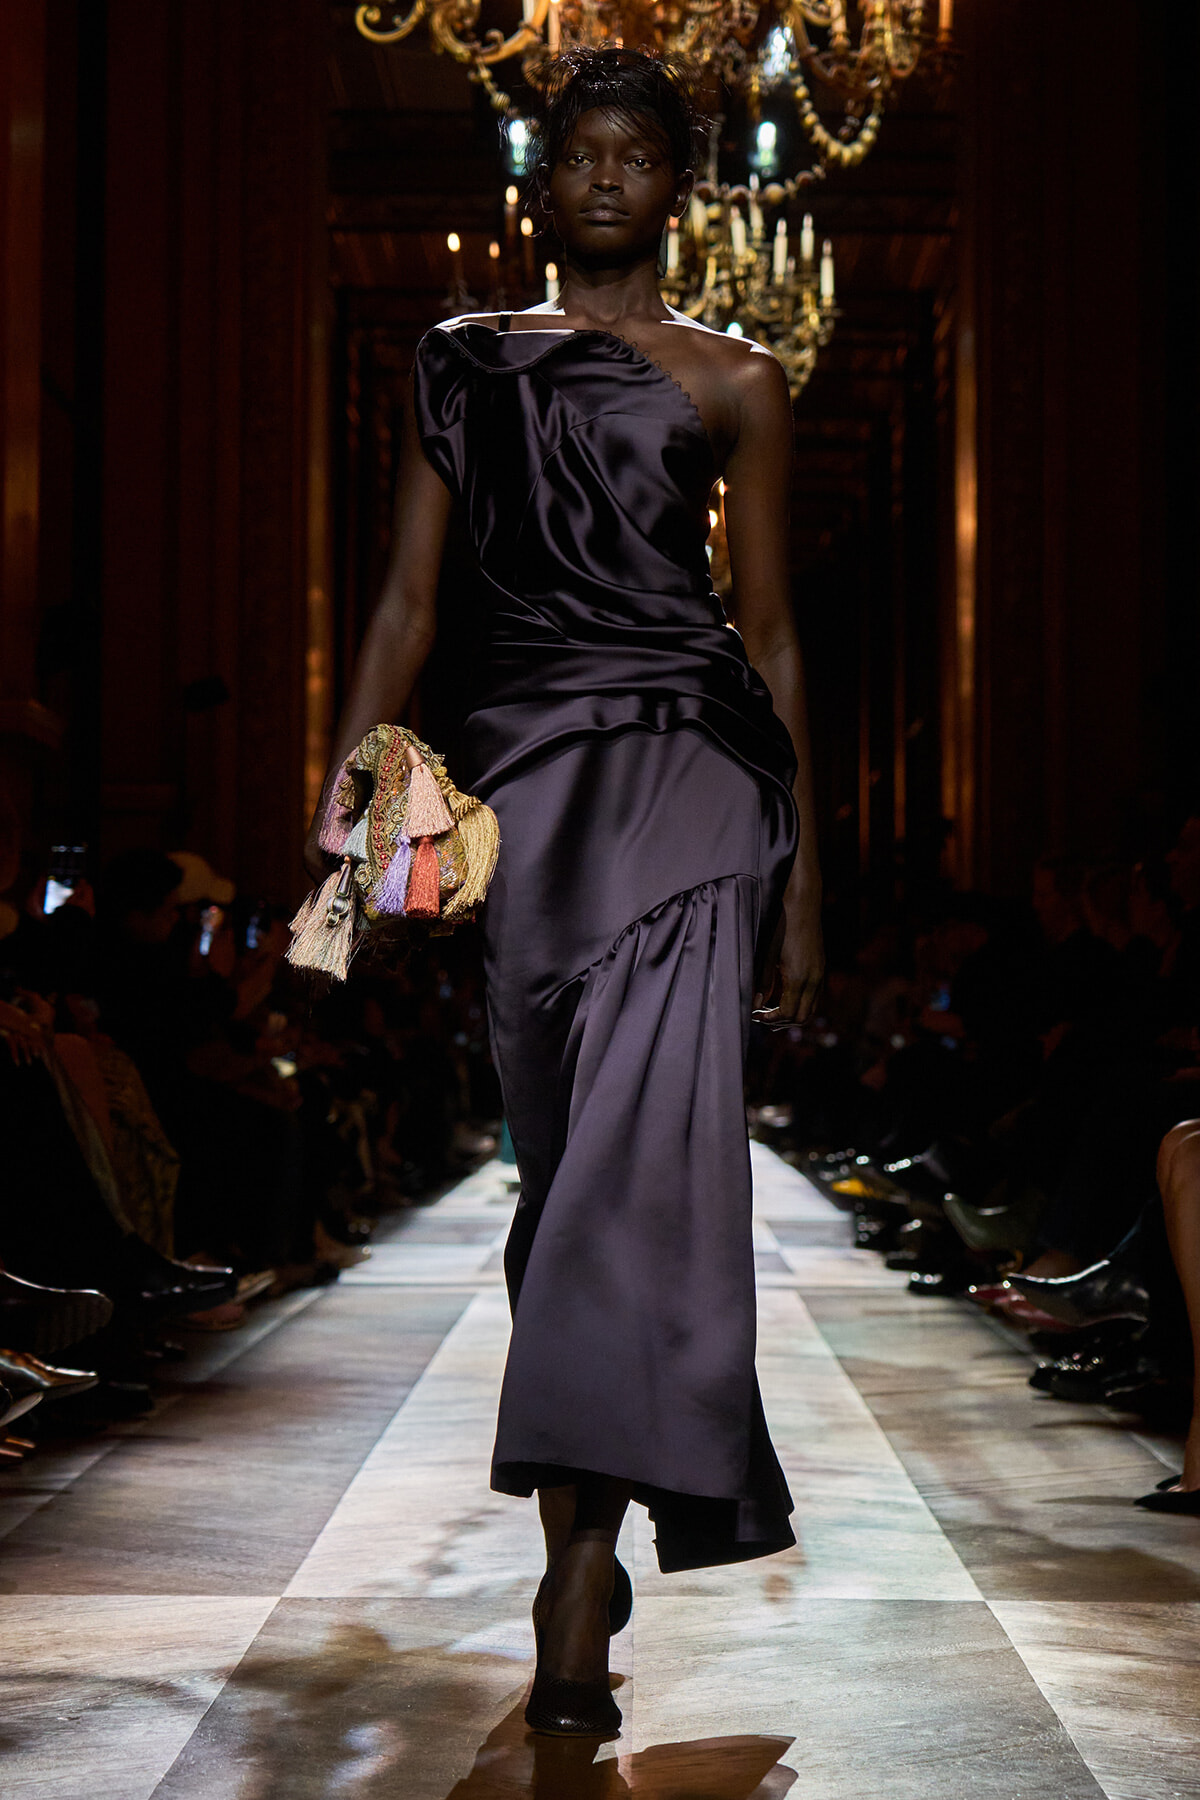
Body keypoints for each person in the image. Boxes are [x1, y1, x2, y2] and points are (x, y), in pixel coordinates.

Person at [304, 48, 823, 1738]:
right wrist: (357, 828)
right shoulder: (463, 356)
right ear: (550, 179)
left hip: (689, 775)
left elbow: (771, 634)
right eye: (580, 150)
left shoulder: (742, 378)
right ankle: (581, 1512)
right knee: (560, 1170)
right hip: (521, 790)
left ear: (681, 187)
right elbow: (403, 600)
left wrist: (800, 881)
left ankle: (576, 1585)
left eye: (636, 155)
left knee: (635, 1169)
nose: (605, 175)